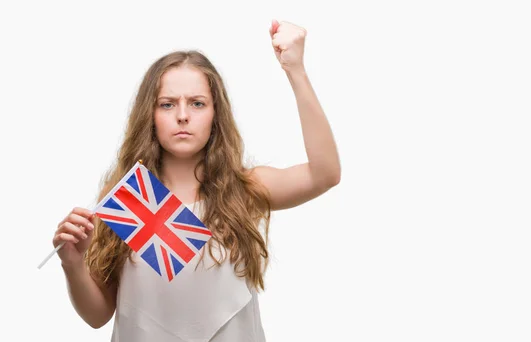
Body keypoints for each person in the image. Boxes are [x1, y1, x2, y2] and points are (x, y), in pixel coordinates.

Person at [51, 19, 340, 342]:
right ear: (151, 115)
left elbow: (325, 174)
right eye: (168, 104)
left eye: (197, 103)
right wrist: (73, 265)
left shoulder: (243, 190)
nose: (183, 115)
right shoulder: (129, 197)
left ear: (216, 114)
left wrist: (295, 71)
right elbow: (98, 315)